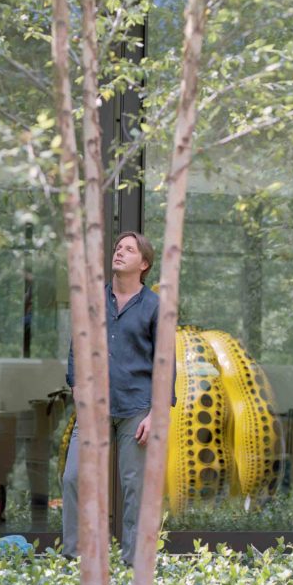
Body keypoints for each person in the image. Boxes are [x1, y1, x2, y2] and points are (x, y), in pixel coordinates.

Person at [63, 231, 169, 566]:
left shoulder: (156, 307)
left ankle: (133, 562)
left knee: (135, 488)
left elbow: (166, 364)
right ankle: (75, 559)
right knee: (74, 477)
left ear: (144, 263)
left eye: (128, 249)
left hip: (137, 409)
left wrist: (156, 415)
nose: (119, 252)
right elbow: (76, 351)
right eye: (118, 247)